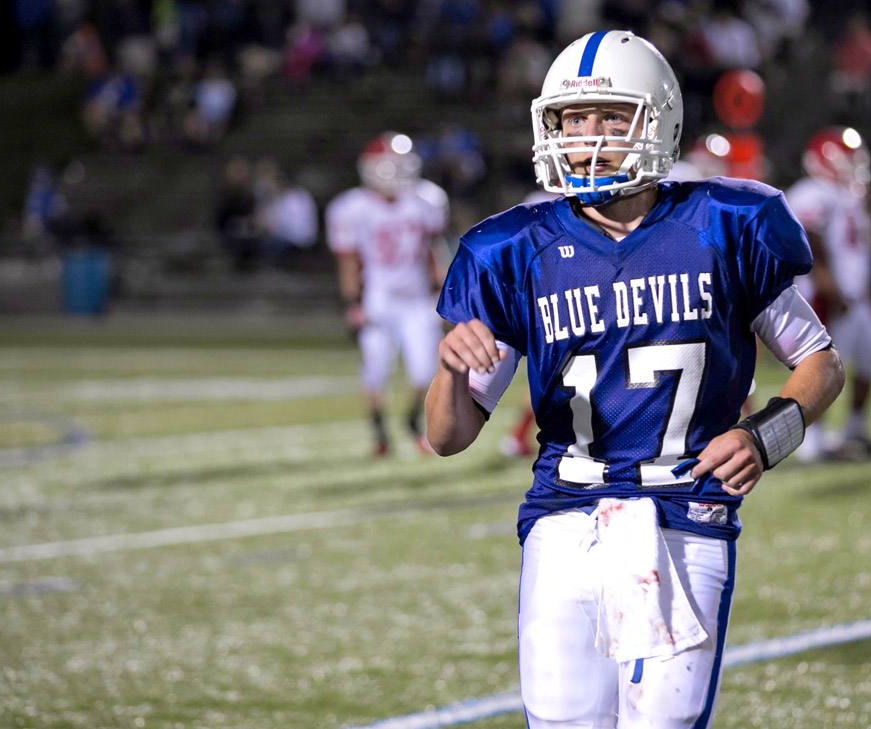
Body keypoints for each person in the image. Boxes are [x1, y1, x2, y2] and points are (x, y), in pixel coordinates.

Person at [426, 31, 844, 729]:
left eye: (611, 117)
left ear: (659, 120)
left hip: (685, 512)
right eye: (573, 120)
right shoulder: (513, 250)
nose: (588, 137)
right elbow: (447, 436)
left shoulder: (723, 224)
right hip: (564, 518)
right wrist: (448, 368)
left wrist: (767, 434)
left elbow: (821, 362)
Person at [327, 132, 449, 457]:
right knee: (376, 369)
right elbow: (349, 259)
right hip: (377, 299)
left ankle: (412, 421)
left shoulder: (427, 199)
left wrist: (445, 291)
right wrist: (352, 302)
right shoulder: (351, 207)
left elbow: (434, 250)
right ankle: (380, 434)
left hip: (416, 297)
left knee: (425, 369)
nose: (396, 173)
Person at [786, 126, 871, 459]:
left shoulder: (849, 194)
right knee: (823, 367)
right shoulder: (812, 192)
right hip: (826, 296)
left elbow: (862, 248)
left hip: (855, 295)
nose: (853, 164)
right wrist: (830, 286)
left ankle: (855, 429)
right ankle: (812, 439)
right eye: (847, 158)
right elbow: (808, 242)